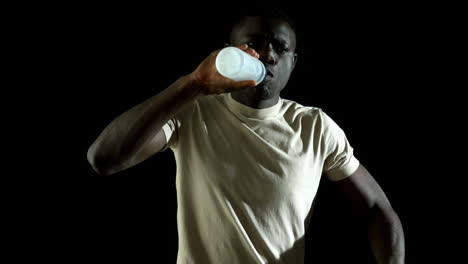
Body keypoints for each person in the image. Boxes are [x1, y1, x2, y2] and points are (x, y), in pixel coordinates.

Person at [87, 7, 405, 264]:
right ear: (230, 53)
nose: (267, 55)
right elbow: (104, 159)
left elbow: (378, 208)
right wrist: (193, 84)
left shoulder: (315, 127)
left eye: (280, 47)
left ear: (293, 63)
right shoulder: (193, 112)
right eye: (253, 45)